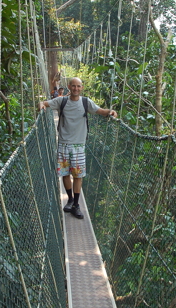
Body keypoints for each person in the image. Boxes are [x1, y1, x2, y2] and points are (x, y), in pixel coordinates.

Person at [39, 77, 118, 219]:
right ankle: (69, 199)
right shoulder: (61, 101)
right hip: (63, 144)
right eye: (73, 86)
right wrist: (41, 105)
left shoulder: (86, 102)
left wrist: (110, 111)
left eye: (78, 86)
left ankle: (76, 204)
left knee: (78, 175)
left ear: (82, 87)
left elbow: (100, 111)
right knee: (65, 174)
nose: (76, 88)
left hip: (78, 147)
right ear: (69, 86)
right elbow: (43, 103)